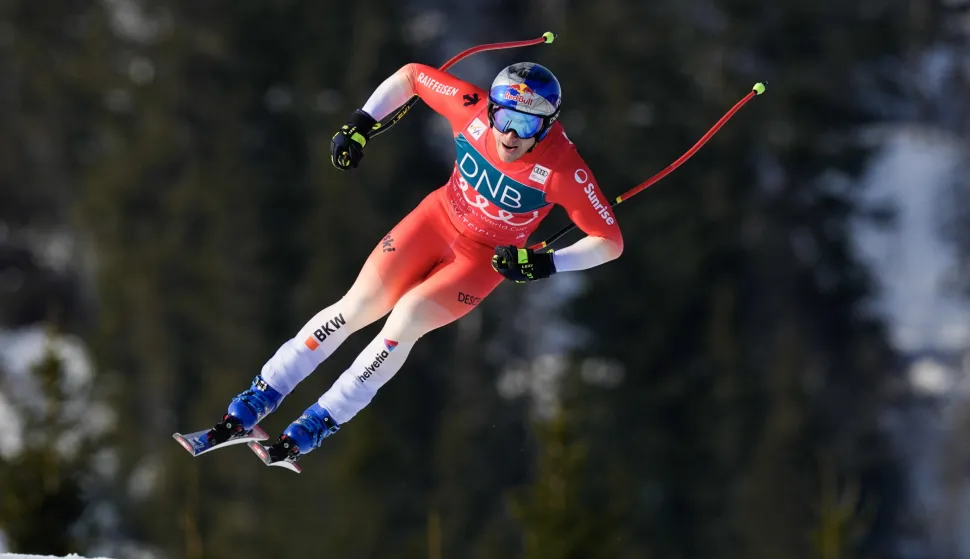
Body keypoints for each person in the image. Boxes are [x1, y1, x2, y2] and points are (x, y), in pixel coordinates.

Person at [205, 61, 624, 463]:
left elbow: (609, 242)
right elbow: (412, 77)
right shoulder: (470, 109)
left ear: (547, 125)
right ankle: (259, 396)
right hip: (434, 221)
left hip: (479, 262)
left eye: (527, 125)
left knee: (405, 321)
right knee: (357, 306)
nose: (511, 135)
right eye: (504, 118)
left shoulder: (563, 169)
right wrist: (360, 124)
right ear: (491, 109)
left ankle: (319, 422)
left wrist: (546, 264)